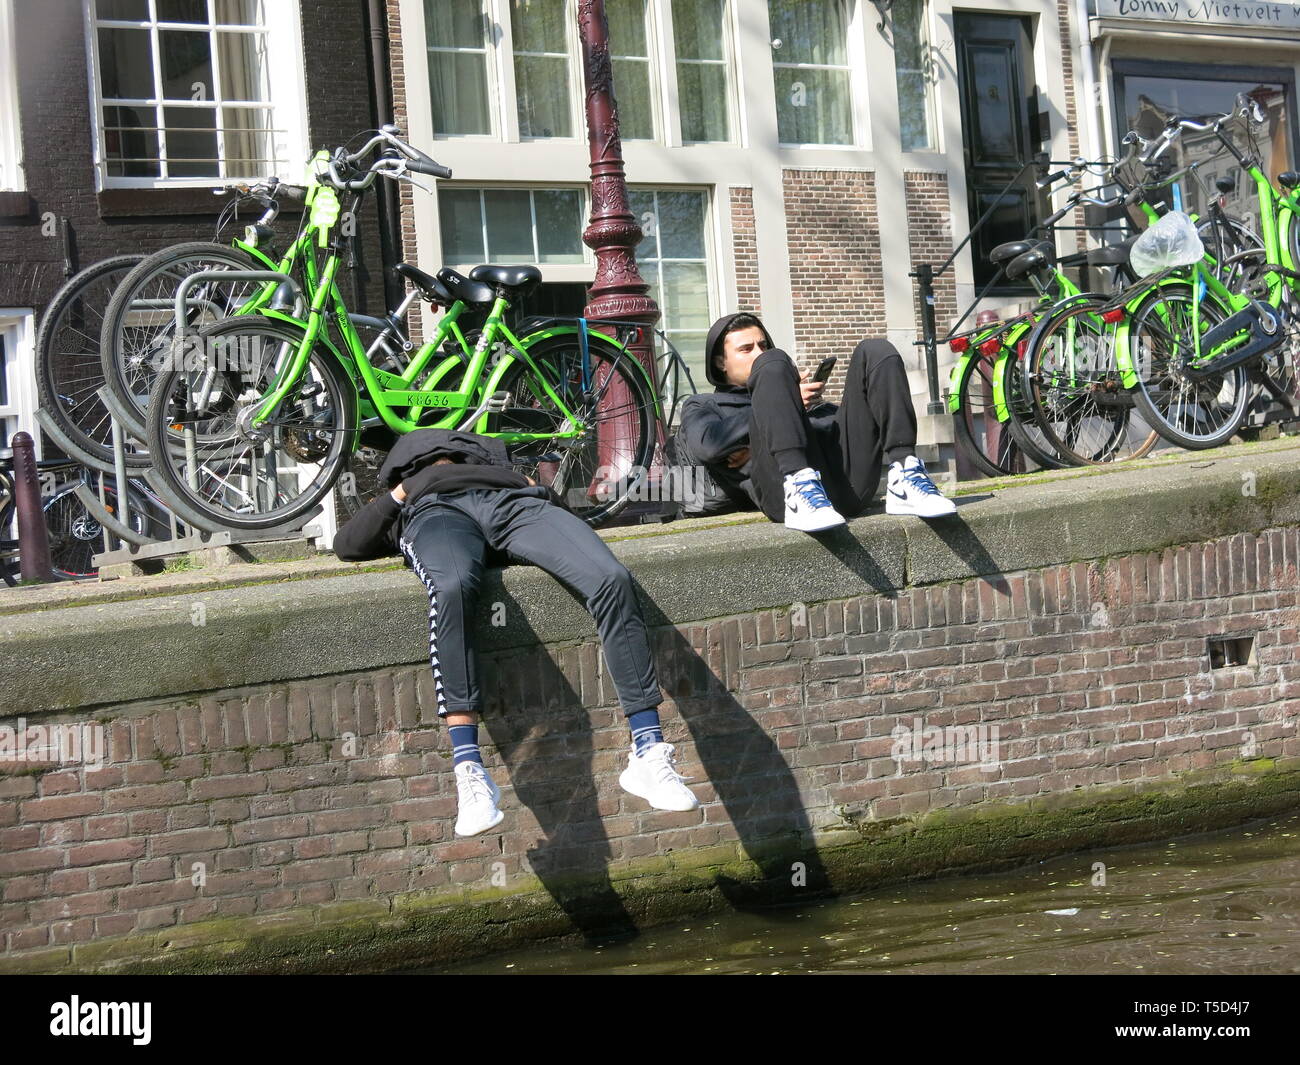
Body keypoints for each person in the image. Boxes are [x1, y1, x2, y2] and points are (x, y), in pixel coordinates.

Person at [333, 428, 700, 836]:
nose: (444, 454)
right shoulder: (412, 490)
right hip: (437, 513)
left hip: (512, 504)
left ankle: (648, 749)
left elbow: (562, 516)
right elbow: (348, 543)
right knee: (452, 585)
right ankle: (469, 769)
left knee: (609, 577)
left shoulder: (506, 476)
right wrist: (408, 491)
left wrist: (523, 484)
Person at [672, 313, 957, 532]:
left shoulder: (793, 391)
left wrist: (806, 408)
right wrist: (778, 410)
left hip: (847, 488)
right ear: (721, 362)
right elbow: (708, 445)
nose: (758, 352)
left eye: (762, 344)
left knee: (876, 349)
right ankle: (800, 484)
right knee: (773, 363)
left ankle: (905, 473)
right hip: (786, 498)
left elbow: (839, 433)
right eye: (746, 349)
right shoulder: (703, 404)